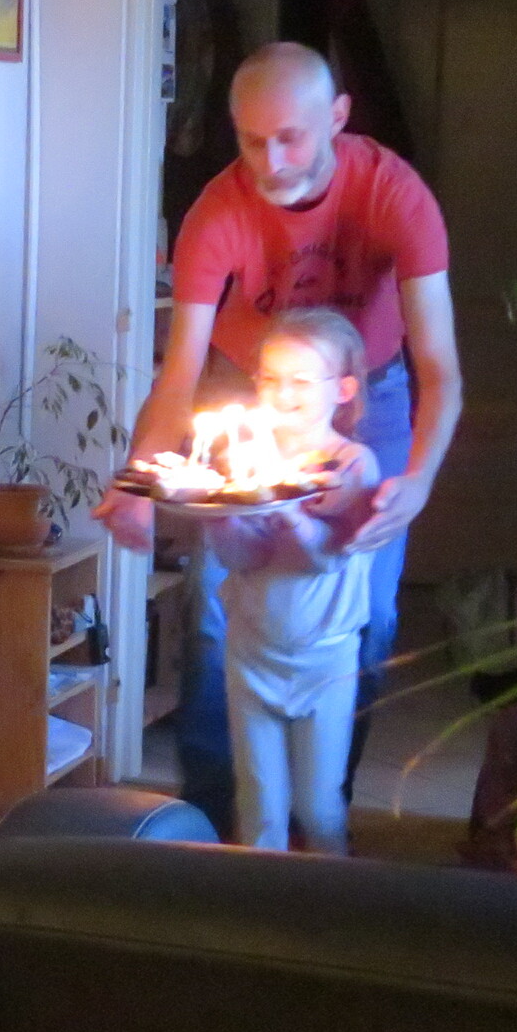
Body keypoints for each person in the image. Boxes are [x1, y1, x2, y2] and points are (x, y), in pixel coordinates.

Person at [98, 41, 461, 831]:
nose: (271, 161)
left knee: (370, 611)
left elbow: (441, 369)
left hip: (371, 386)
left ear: (338, 117)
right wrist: (137, 482)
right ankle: (214, 821)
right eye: (252, 140)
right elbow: (179, 375)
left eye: (291, 138)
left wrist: (419, 481)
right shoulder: (218, 212)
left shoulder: (395, 195)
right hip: (249, 383)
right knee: (216, 610)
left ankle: (322, 808)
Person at [207, 311, 384, 854]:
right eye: (271, 379)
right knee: (259, 804)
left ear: (343, 390)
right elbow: (242, 558)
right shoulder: (244, 461)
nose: (284, 394)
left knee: (318, 805)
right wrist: (220, 512)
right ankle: (259, 903)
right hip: (252, 651)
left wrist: (289, 512)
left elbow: (324, 559)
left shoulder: (351, 466)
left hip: (326, 659)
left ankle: (332, 896)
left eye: (302, 381)